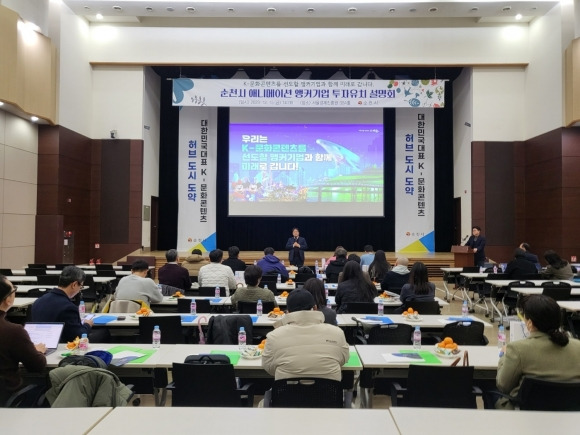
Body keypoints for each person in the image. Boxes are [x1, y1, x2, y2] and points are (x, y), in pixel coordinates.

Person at [495, 294, 580, 409]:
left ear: (529, 323)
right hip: (569, 417)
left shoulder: (517, 349)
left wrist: (503, 357)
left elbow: (503, 385)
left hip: (524, 418)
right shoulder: (577, 346)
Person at [262, 289, 349, 381]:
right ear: (315, 308)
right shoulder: (337, 333)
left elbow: (269, 368)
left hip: (289, 393)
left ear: (288, 312)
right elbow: (343, 360)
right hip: (327, 393)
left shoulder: (274, 336)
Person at [31, 266, 107, 343]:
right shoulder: (68, 307)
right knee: (104, 333)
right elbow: (78, 336)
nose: (80, 290)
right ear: (74, 284)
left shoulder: (38, 301)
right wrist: (87, 324)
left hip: (38, 344)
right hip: (62, 345)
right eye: (81, 286)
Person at [0, 276, 46, 399]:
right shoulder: (13, 331)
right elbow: (37, 366)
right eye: (13, 290)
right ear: (7, 300)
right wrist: (37, 351)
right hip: (8, 395)